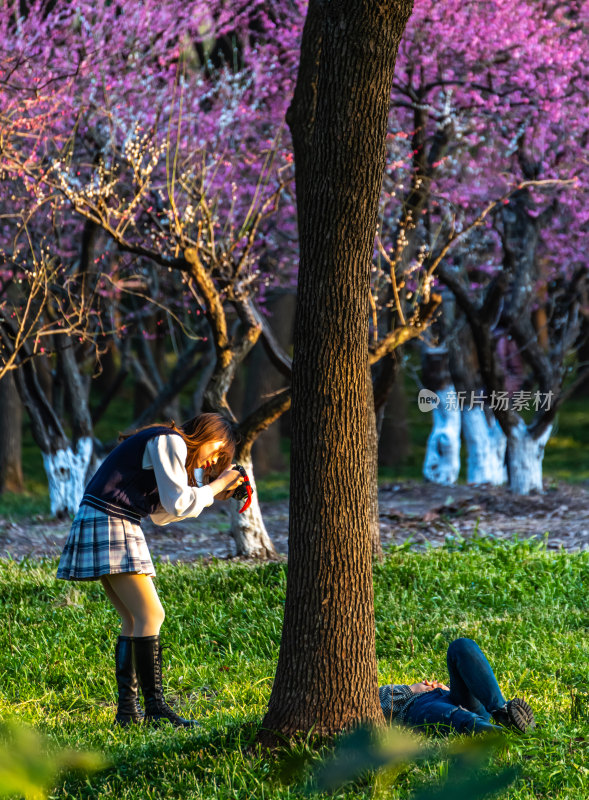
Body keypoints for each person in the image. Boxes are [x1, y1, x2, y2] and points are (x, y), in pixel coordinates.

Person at [57, 413, 244, 729]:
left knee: (134, 619)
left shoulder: (164, 445)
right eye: (217, 451)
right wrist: (217, 485)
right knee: (151, 615)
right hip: (111, 521)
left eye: (220, 460)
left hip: (109, 520)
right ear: (207, 434)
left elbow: (162, 513)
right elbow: (178, 503)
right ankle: (155, 710)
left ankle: (128, 714)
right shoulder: (169, 440)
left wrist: (213, 493)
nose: (213, 460)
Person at [379, 638, 535, 735]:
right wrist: (412, 689)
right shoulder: (375, 692)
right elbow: (378, 709)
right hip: (416, 708)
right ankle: (500, 734)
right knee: (455, 716)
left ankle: (503, 712)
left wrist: (444, 687)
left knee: (461, 646)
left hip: (451, 696)